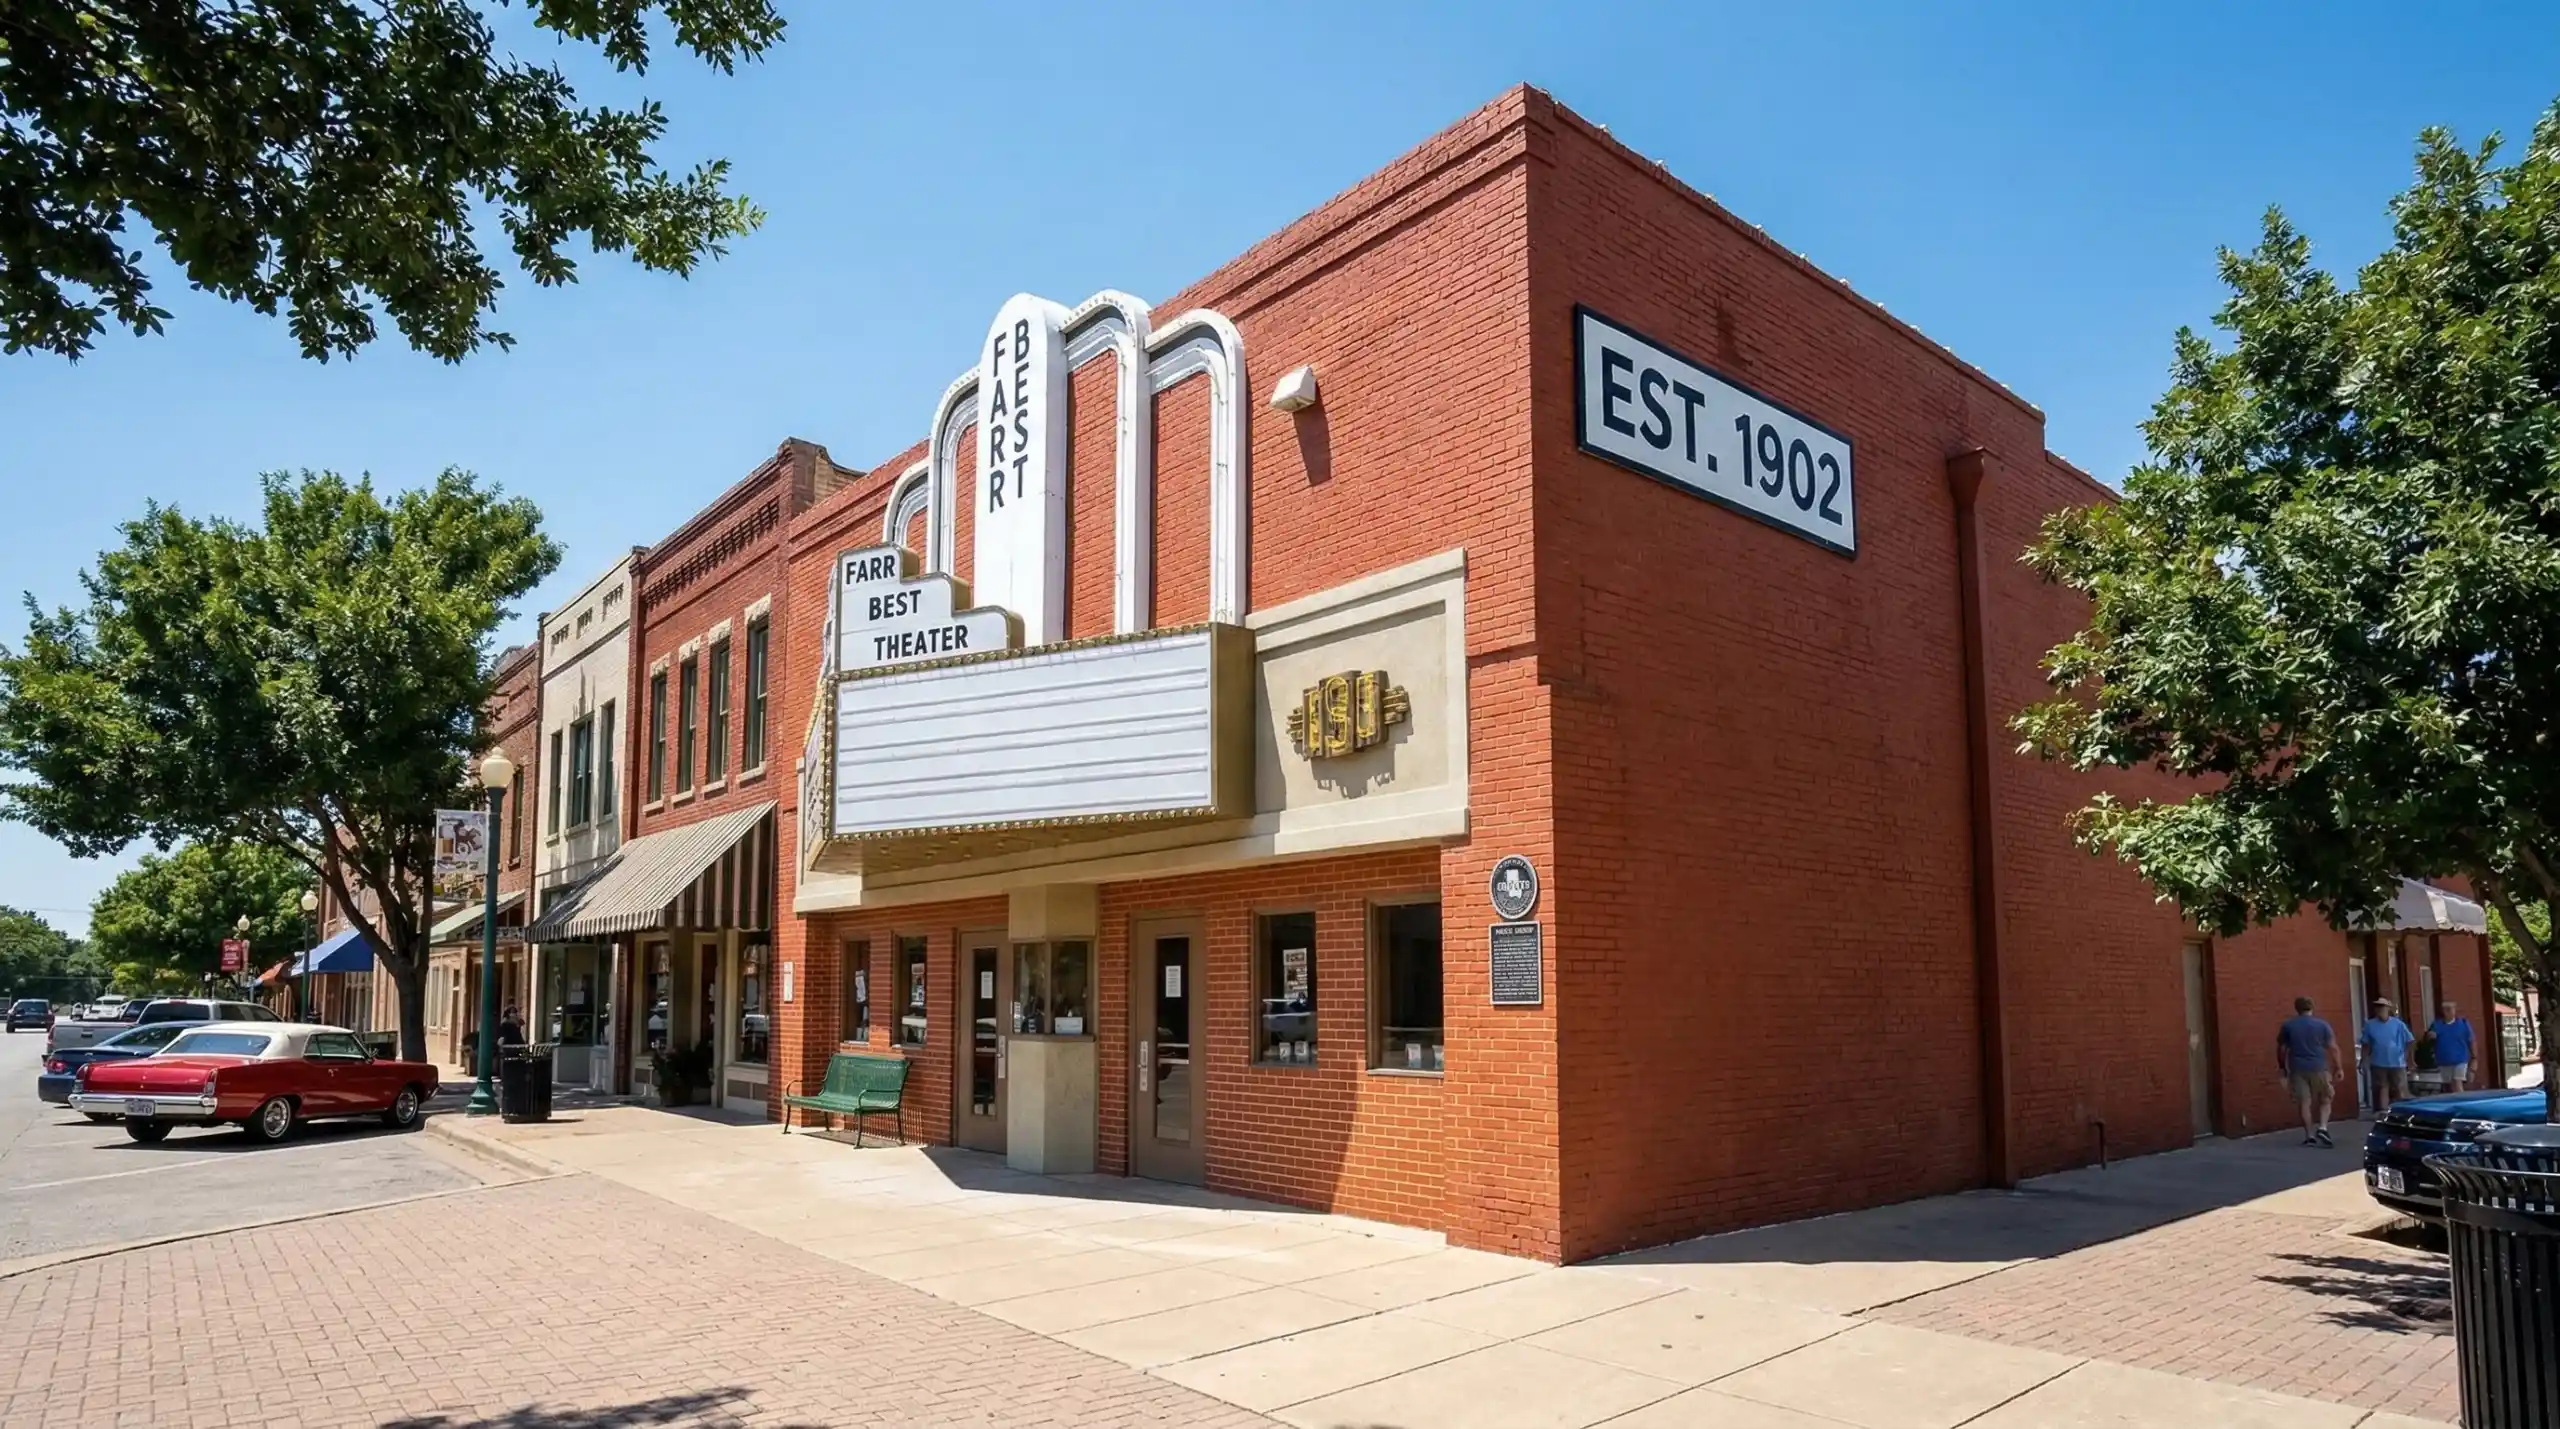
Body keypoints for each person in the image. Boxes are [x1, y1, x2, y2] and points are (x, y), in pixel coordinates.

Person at [2277, 996, 2343, 1146]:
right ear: (2312, 1007)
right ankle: (2323, 1127)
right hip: (2319, 1067)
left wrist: (2282, 1067)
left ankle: (2309, 1136)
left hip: (2297, 1068)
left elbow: (2282, 1049)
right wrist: (2338, 1067)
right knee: (2326, 1098)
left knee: (2304, 1103)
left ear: (2297, 1008)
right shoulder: (2322, 1025)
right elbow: (2333, 1047)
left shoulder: (2289, 1025)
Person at [2361, 998, 2415, 1109]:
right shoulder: (2370, 1025)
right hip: (2378, 1062)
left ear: (2388, 1009)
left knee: (2399, 1088)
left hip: (2397, 1062)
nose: (2379, 1009)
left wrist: (2407, 1057)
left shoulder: (2398, 1024)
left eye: (2382, 1006)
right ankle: (2383, 1112)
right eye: (2377, 1007)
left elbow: (2410, 1041)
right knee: (2382, 1088)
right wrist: (2363, 1060)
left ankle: (2401, 1112)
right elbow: (2366, 1044)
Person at [2428, 1000, 2476, 1093]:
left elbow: (2471, 1040)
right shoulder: (2437, 1025)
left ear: (2454, 1010)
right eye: (2445, 1009)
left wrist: (2474, 1059)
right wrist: (2430, 1037)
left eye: (2450, 1009)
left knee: (2457, 1083)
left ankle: (2461, 1103)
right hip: (2443, 1060)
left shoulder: (2463, 1023)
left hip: (2460, 1059)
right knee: (2448, 1086)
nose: (2448, 1011)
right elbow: (2428, 1040)